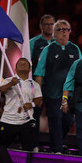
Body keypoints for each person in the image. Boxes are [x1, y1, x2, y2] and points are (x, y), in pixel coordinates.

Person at [34, 19, 81, 153]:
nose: (64, 32)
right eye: (60, 29)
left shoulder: (75, 49)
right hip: (52, 93)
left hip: (69, 95)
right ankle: (57, 148)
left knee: (67, 121)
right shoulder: (48, 50)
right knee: (56, 119)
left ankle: (56, 142)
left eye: (67, 30)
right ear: (54, 33)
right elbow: (39, 73)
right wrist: (39, 93)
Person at [0, 58, 43, 151]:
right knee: (1, 148)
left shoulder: (34, 84)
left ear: (30, 69)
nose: (22, 65)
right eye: (20, 64)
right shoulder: (8, 80)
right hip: (8, 120)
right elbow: (2, 90)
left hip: (25, 121)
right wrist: (11, 83)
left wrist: (32, 105)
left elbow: (39, 98)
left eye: (25, 64)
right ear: (15, 69)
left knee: (27, 149)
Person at [29, 14, 55, 150]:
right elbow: (27, 64)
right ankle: (34, 145)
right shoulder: (33, 43)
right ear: (41, 26)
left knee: (56, 116)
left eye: (52, 24)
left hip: (54, 86)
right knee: (35, 114)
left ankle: (55, 146)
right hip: (36, 84)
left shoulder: (59, 43)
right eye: (46, 24)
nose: (49, 27)